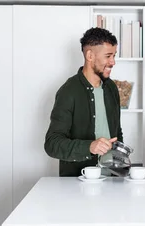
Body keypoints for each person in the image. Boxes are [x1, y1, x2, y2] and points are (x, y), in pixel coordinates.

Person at [44, 27, 123, 177]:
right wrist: (90, 146)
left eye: (114, 55)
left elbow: (117, 131)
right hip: (77, 183)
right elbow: (52, 144)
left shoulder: (111, 88)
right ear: (90, 55)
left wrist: (121, 159)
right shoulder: (68, 91)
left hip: (112, 178)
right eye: (108, 56)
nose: (113, 62)